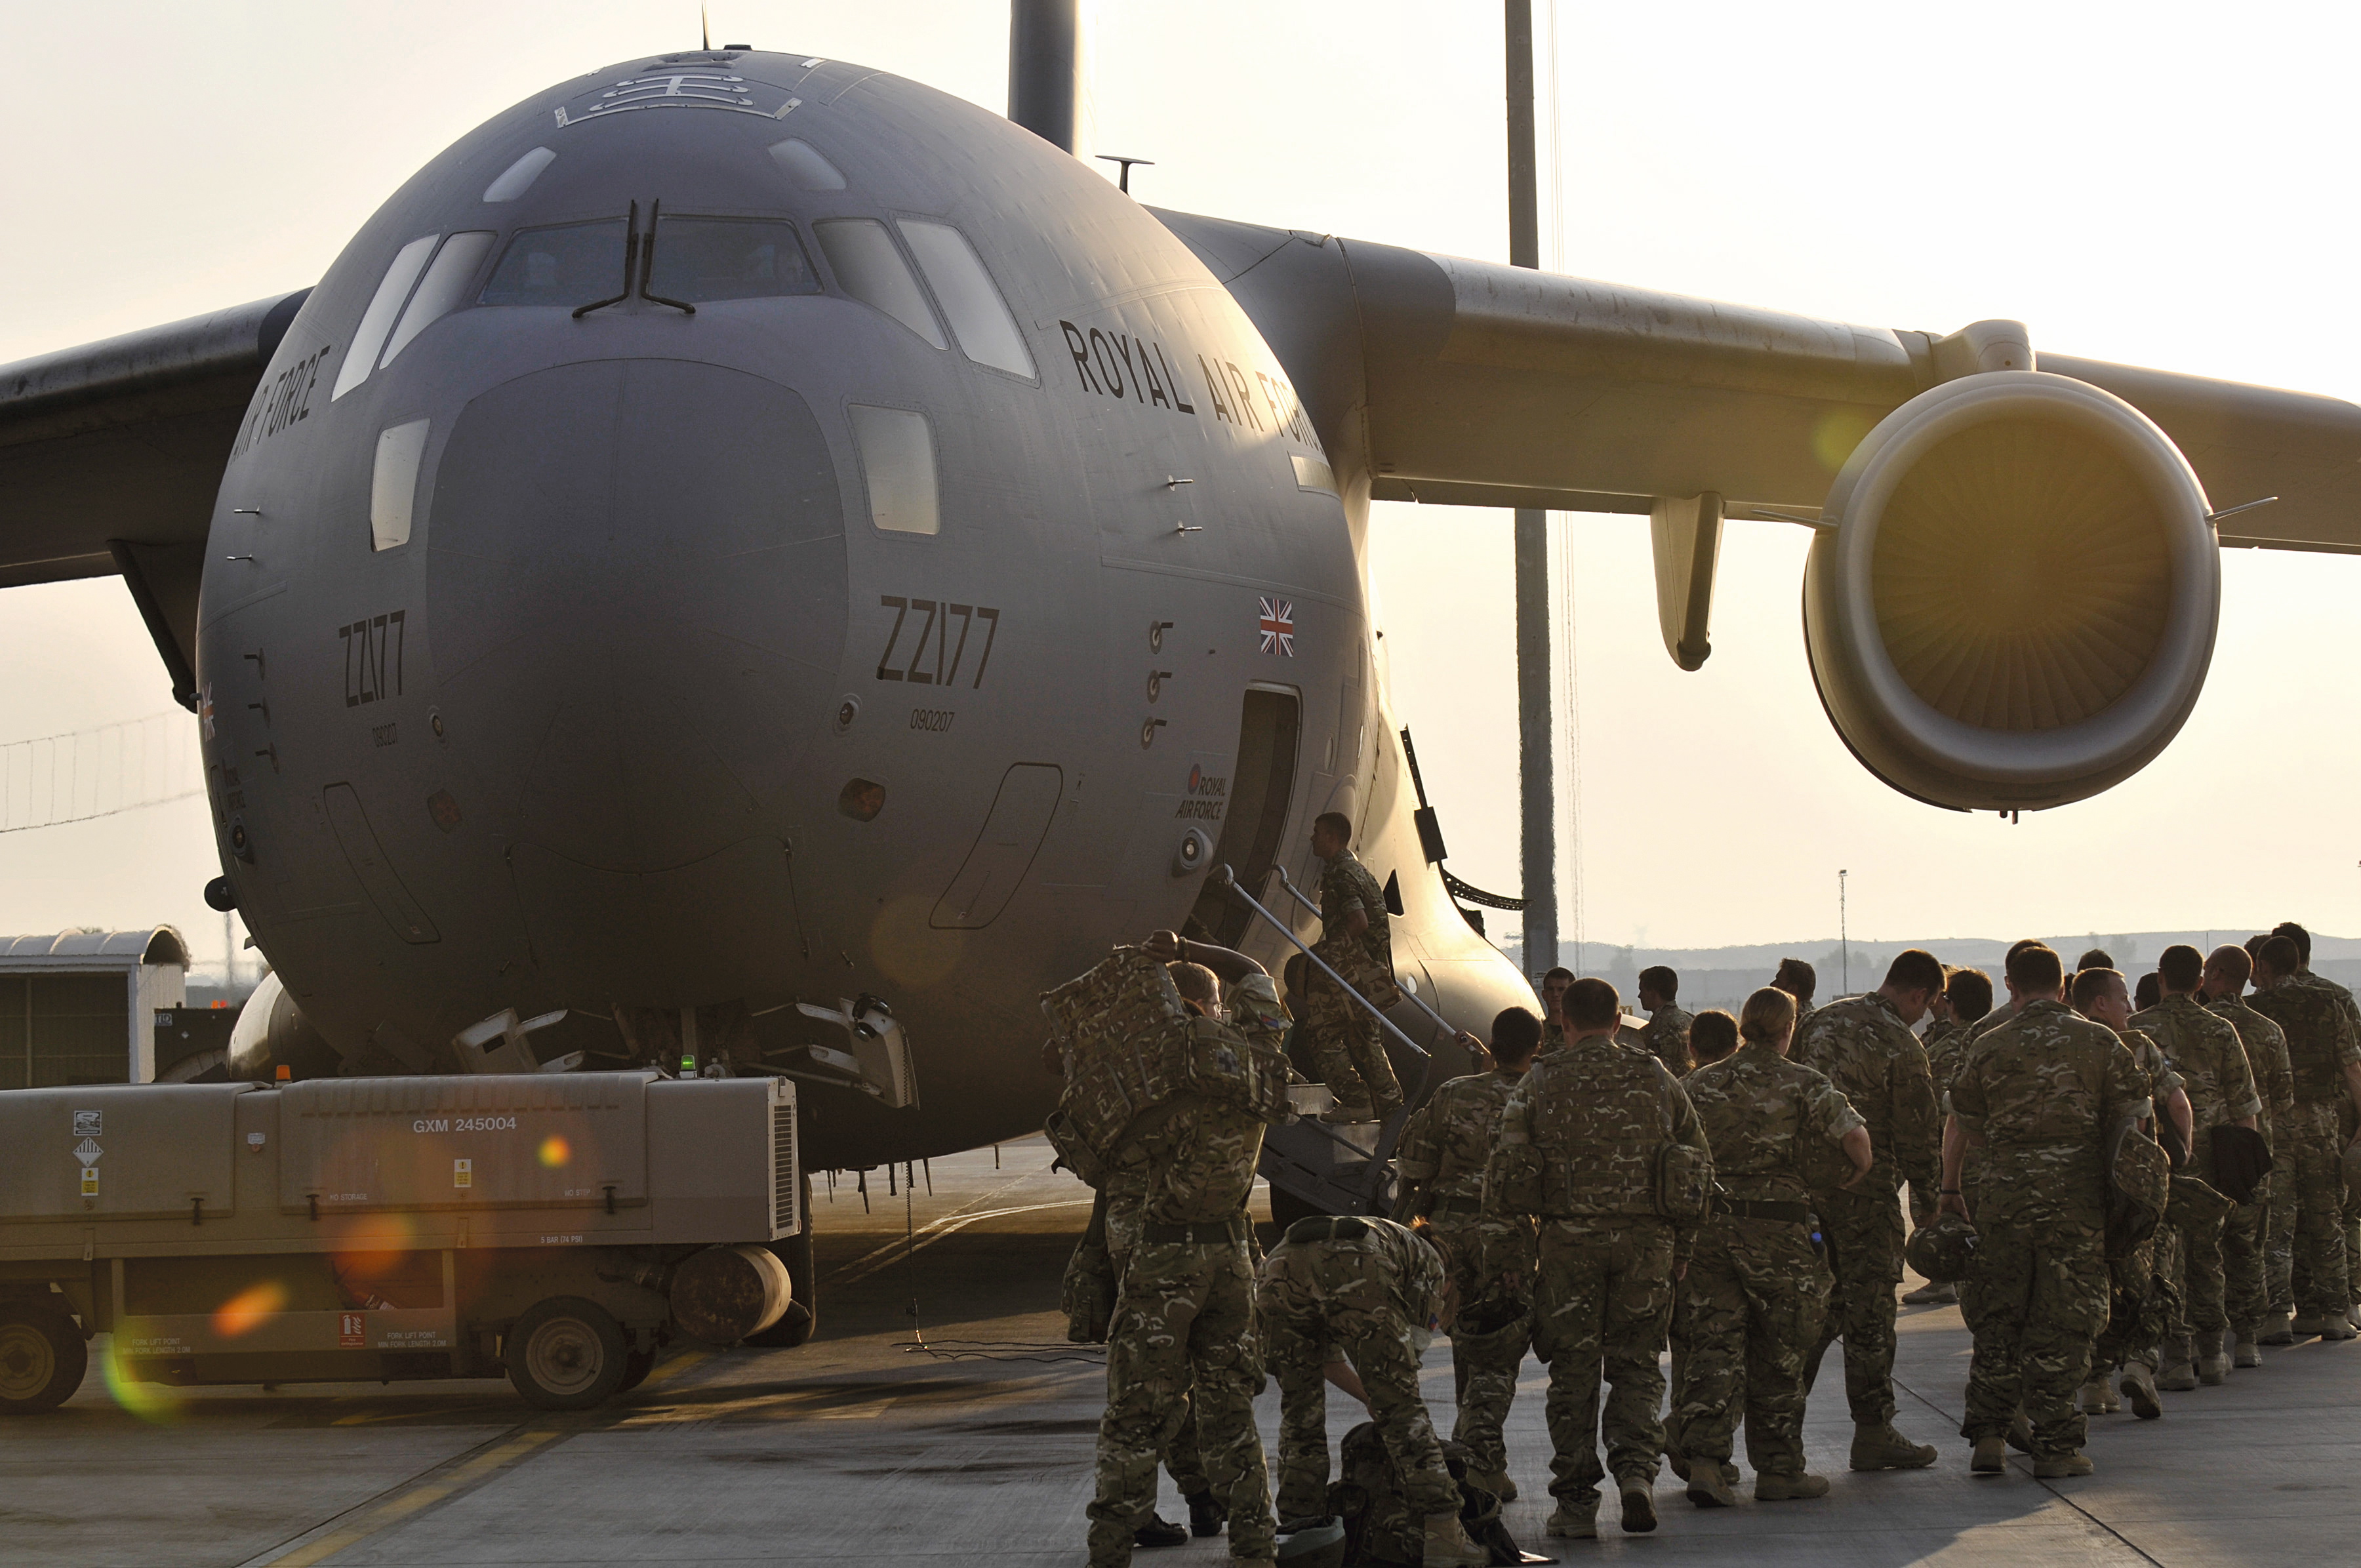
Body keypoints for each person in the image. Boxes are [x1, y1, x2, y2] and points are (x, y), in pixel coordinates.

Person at [1072, 931, 1288, 1568]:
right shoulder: (1257, 1061)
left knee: (1135, 1414)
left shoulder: (1148, 1073)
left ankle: (1109, 1551)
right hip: (1229, 1255)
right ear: (1213, 1006)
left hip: (1163, 1257)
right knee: (1231, 1413)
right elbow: (1255, 976)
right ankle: (1254, 1547)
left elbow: (1099, 1156)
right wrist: (1186, 944)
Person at [1487, 977, 1710, 1539]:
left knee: (1573, 1373)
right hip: (1646, 1246)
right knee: (1637, 1366)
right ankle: (1636, 1474)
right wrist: (1680, 1248)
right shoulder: (1657, 1075)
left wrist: (1515, 1256)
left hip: (1569, 1246)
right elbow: (1696, 1163)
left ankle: (1578, 1503)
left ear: (1562, 1024)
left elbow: (1507, 1174)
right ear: (1618, 1022)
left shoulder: (1539, 1081)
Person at [1943, 942, 2149, 1478]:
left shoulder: (1988, 1044)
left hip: (2004, 1196)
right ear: (2063, 987)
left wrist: (1956, 1185)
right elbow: (2133, 1124)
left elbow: (1964, 1120)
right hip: (2075, 1201)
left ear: (2009, 985)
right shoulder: (2100, 1040)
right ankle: (2056, 1445)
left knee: (1999, 1316)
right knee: (2066, 1319)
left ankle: (1989, 1435)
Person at [1670, 986, 1870, 1506]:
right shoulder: (1804, 1083)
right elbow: (1857, 1143)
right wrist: (1843, 1178)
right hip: (1779, 1233)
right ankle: (1780, 1468)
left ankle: (1707, 1462)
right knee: (1780, 1350)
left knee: (1714, 1344)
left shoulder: (1700, 1083)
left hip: (1712, 1229)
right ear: (1789, 1029)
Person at [1256, 1215, 1488, 1567]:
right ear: (1450, 1284)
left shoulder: (1395, 1241)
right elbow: (1403, 1376)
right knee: (1404, 1412)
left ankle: (1301, 1533)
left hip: (1279, 1267)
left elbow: (1329, 1364)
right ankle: (1443, 1532)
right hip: (1355, 1265)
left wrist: (1372, 1397)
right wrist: (1386, 1399)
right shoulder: (1432, 1267)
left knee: (1300, 1411)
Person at [1792, 950, 1944, 1471]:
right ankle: (1873, 1429)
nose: (1923, 1016)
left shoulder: (1817, 1021)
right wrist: (1929, 1199)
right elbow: (1919, 1130)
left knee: (1812, 1310)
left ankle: (1780, 1429)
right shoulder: (1903, 1043)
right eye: (1925, 1007)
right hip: (1868, 1193)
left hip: (1806, 1195)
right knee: (1871, 1312)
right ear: (1919, 994)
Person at [1391, 1007, 1543, 1500]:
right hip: (1508, 1231)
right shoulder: (1538, 1097)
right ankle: (1478, 1453)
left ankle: (1483, 1461)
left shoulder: (1453, 1093)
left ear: (1493, 1044)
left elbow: (1414, 1162)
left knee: (1464, 1340)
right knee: (1498, 1349)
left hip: (1451, 1233)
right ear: (1535, 1048)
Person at [2128, 944, 2262, 1388]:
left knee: (2162, 1260)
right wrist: (2242, 1167)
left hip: (2157, 1160)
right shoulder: (2221, 1030)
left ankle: (2176, 1356)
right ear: (2199, 982)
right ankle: (2212, 1351)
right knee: (2208, 1253)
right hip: (2209, 1157)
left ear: (2161, 977)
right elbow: (2246, 1107)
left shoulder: (2136, 1031)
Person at [2077, 967, 2187, 1420]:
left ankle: (2094, 1382)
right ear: (2101, 1002)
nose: (2130, 1006)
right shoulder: (2137, 1045)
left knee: (2099, 1282)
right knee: (2157, 1274)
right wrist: (2177, 1157)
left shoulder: (2064, 1044)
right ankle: (2142, 1361)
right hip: (2136, 1187)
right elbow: (2178, 1102)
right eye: (2122, 997)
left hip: (2079, 1189)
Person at [2246, 935, 2361, 1340]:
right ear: (2298, 963)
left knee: (2277, 1224)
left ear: (2262, 967)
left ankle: (2278, 1316)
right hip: (2320, 1124)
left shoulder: (2253, 1009)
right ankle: (2333, 1315)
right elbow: (2353, 1069)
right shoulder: (2328, 1003)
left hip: (2273, 1126)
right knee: (2326, 1219)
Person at [2204, 943, 2296, 1357]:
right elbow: (2284, 1096)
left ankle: (2203, 1336)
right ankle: (2247, 1338)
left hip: (2201, 1148)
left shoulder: (2198, 1025)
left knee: (2202, 1243)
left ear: (2219, 973)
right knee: (2248, 1243)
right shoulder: (2267, 1029)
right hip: (2252, 1148)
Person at [1301, 813, 1400, 1125]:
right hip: (1366, 971)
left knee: (1322, 1034)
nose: (1312, 839)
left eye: (1317, 832)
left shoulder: (1342, 876)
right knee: (1366, 1041)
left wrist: (1326, 952)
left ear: (1331, 836)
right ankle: (1391, 1111)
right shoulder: (1358, 871)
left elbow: (1358, 922)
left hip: (1351, 973)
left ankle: (1359, 1100)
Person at [1905, 966, 1993, 1308]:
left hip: (1951, 1153)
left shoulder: (1939, 1052)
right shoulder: (1999, 1042)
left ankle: (1943, 1278)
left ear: (1950, 1005)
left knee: (1940, 1219)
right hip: (1991, 1157)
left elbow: (1924, 1111)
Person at [1638, 966, 1695, 1076]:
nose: (1639, 996)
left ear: (1653, 992)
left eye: (1642, 990)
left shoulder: (1661, 1025)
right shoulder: (1690, 1019)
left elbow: (1660, 1069)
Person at [1774, 958, 1817, 1039]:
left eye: (1778, 981)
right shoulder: (1819, 1020)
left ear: (1792, 989)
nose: (1772, 984)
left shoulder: (1785, 1022)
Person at [1537, 967, 1575, 1049]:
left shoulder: (1580, 1033)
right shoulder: (1535, 1033)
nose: (1555, 994)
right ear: (1544, 995)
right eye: (1551, 989)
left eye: (1561, 990)